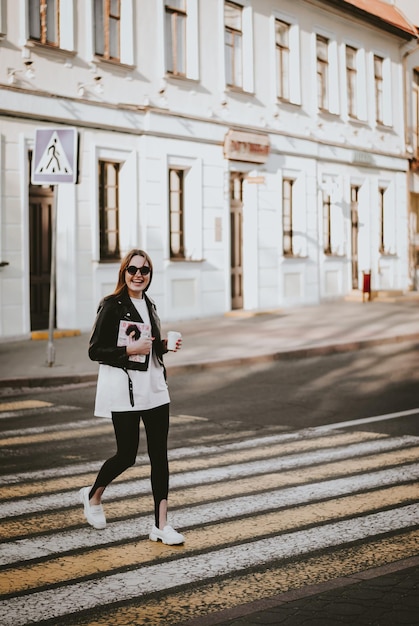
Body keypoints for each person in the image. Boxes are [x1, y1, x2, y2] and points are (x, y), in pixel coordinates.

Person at [79, 249, 184, 545]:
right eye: (133, 269)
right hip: (125, 391)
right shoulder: (112, 305)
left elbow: (147, 348)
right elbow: (95, 351)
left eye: (145, 270)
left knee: (159, 456)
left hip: (154, 388)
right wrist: (128, 351)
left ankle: (161, 525)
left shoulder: (149, 304)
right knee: (127, 455)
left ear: (150, 275)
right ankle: (93, 495)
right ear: (124, 272)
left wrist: (164, 346)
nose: (138, 275)